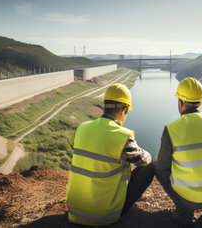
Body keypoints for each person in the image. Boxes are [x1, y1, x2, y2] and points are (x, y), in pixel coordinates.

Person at [66, 83, 153, 226]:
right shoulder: (122, 137)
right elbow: (144, 160)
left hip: (75, 210)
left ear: (105, 105)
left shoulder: (82, 128)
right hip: (104, 215)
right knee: (148, 167)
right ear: (124, 109)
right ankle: (120, 209)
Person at [154, 77, 202, 226]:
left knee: (155, 164)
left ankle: (183, 212)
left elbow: (163, 165)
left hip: (186, 198)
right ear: (200, 102)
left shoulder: (172, 129)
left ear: (180, 102)